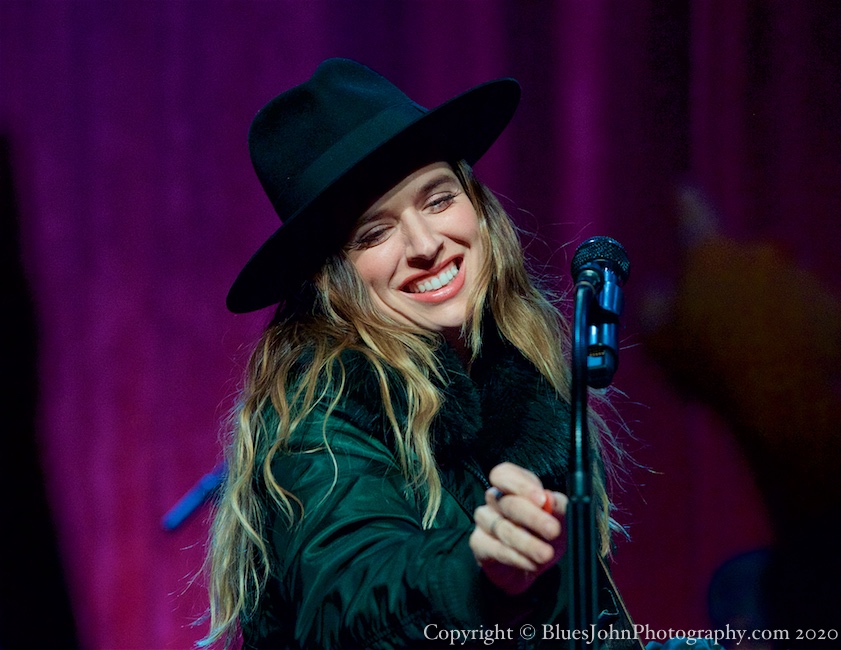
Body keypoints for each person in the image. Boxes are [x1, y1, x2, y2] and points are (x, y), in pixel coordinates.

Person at [203, 58, 633, 649]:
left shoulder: (514, 376)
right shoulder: (317, 409)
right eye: (375, 233)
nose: (427, 245)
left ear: (477, 206)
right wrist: (479, 571)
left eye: (437, 200)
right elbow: (350, 594)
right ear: (331, 277)